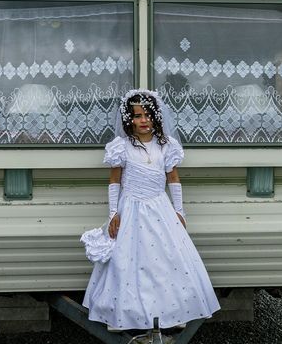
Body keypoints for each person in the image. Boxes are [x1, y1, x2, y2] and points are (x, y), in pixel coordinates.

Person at [82, 89, 220, 330]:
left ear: (156, 117)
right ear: (129, 120)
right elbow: (115, 181)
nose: (143, 120)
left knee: (166, 260)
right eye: (137, 116)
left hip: (160, 207)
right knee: (127, 262)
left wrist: (179, 211)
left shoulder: (166, 146)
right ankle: (123, 314)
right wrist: (114, 213)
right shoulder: (121, 147)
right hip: (131, 208)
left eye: (148, 115)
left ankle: (173, 312)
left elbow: (174, 179)